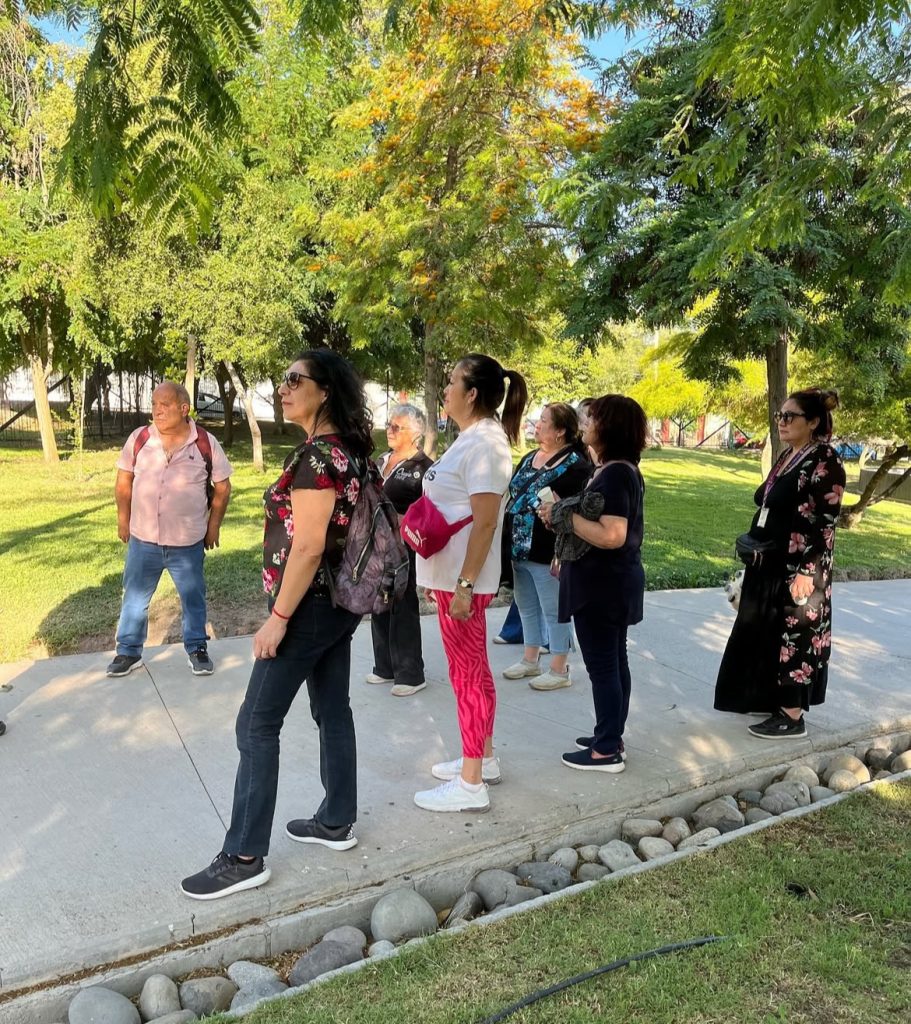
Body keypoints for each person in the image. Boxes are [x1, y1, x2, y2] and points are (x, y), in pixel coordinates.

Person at [181, 349, 373, 900]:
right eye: (283, 379)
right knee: (332, 709)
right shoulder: (351, 451)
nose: (283, 388)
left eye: (295, 379)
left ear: (324, 390)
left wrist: (278, 619)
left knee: (255, 725)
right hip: (339, 604)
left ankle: (244, 856)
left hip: (307, 606)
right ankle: (336, 820)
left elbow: (308, 546)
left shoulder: (318, 458)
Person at [413, 353, 528, 812]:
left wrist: (463, 586)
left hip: (464, 583)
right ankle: (483, 758)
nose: (445, 390)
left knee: (466, 678)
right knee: (474, 672)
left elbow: (485, 523)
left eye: (452, 382)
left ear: (472, 393)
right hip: (452, 578)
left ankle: (471, 783)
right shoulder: (473, 438)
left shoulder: (485, 444)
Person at [714, 388, 846, 740]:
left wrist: (807, 571)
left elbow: (825, 522)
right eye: (780, 416)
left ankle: (791, 714)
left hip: (799, 566)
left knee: (795, 635)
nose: (782, 422)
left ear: (813, 422)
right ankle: (768, 698)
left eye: (790, 416)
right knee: (765, 631)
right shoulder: (790, 454)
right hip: (770, 562)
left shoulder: (826, 460)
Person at [541, 395, 647, 773]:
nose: (585, 423)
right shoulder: (617, 469)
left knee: (604, 667)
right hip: (610, 583)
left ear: (611, 427)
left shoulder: (616, 473)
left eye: (593, 418)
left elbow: (613, 534)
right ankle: (610, 735)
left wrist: (563, 516)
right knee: (614, 663)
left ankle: (606, 750)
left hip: (603, 586)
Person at [106, 382, 232, 678]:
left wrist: (213, 527)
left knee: (192, 597)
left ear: (184, 408)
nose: (157, 410)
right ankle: (128, 651)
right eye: (154, 404)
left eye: (164, 404)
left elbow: (223, 488)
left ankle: (197, 648)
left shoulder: (205, 443)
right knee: (135, 598)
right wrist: (123, 519)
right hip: (144, 539)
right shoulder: (140, 439)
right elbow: (123, 482)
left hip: (187, 543)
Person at [502, 403, 591, 690]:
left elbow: (580, 506)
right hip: (519, 547)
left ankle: (559, 668)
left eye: (543, 421)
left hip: (549, 550)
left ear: (561, 431)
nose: (536, 425)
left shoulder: (575, 465)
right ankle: (530, 659)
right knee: (526, 605)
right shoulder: (530, 457)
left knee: (554, 609)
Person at [365, 403, 433, 696]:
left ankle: (410, 673)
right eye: (388, 424)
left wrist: (402, 520)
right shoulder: (381, 460)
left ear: (415, 433)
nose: (389, 430)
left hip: (404, 548)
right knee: (378, 602)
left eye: (396, 426)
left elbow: (430, 512)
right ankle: (385, 666)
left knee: (402, 605)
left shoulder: (424, 469)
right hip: (375, 545)